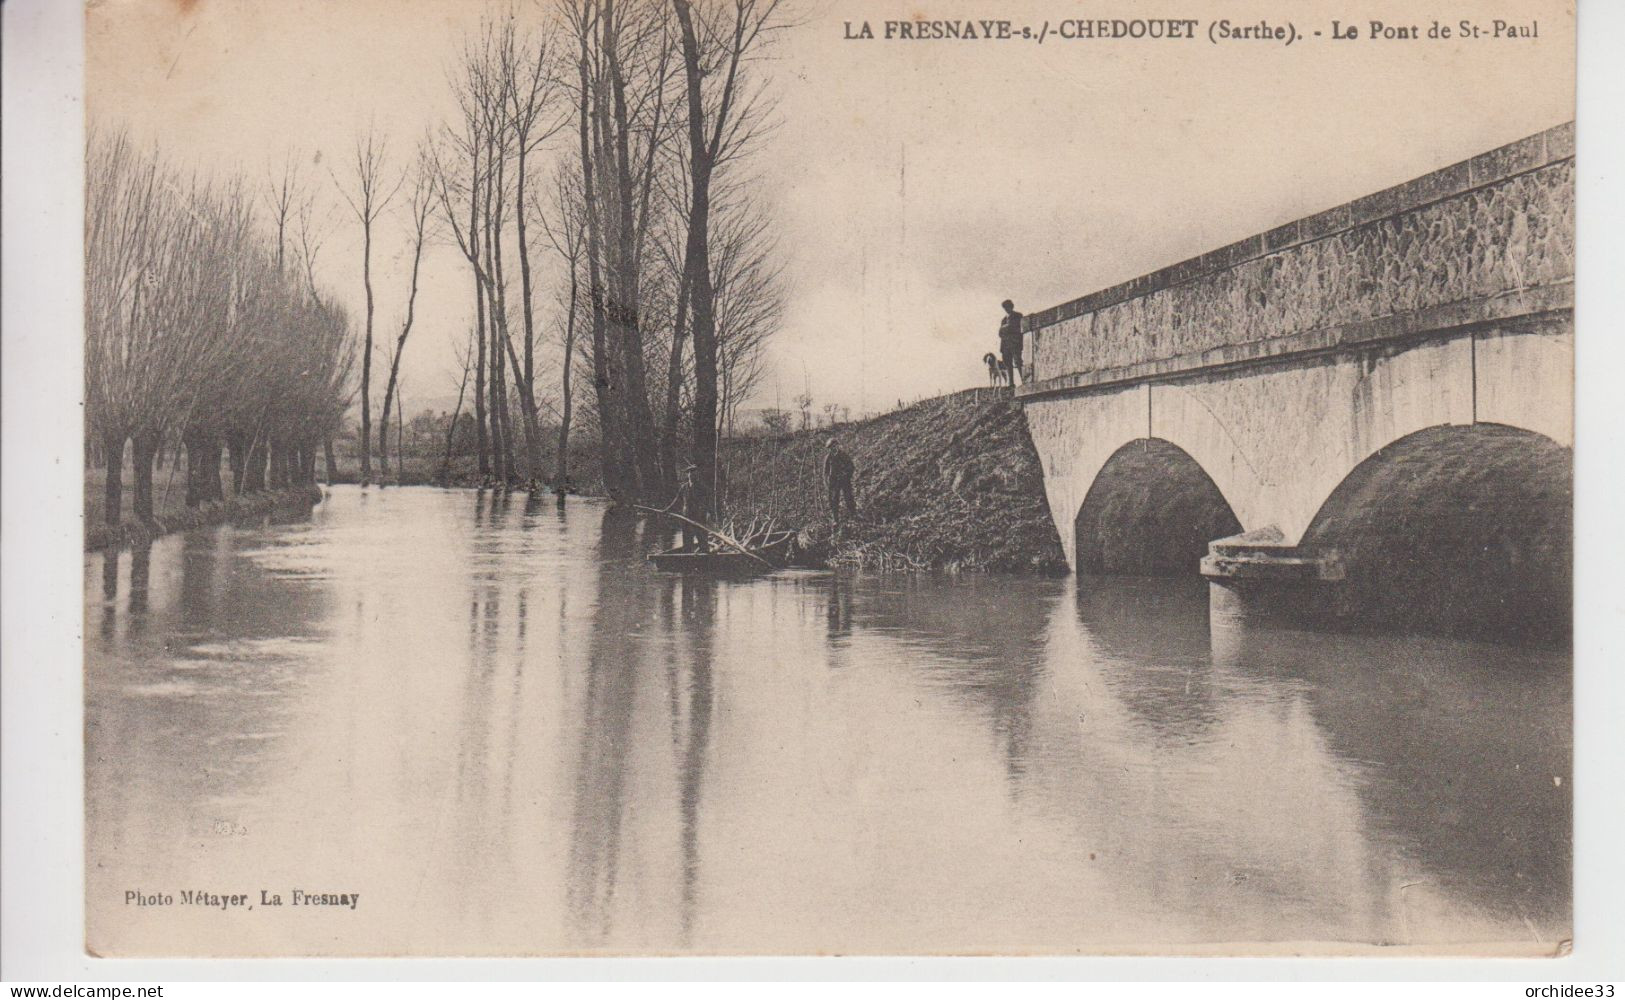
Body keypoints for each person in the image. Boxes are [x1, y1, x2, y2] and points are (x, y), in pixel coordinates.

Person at [822, 438, 857, 525]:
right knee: (834, 500)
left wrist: (846, 475)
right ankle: (835, 519)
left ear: (837, 446)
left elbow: (851, 466)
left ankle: (853, 514)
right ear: (829, 448)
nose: (833, 448)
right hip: (833, 482)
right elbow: (825, 472)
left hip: (844, 480)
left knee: (848, 496)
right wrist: (826, 483)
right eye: (831, 447)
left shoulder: (843, 455)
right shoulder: (828, 458)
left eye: (835, 446)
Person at [998, 298, 1025, 386]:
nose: (1006, 309)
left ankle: (1024, 381)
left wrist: (1006, 328)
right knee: (1008, 364)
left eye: (1007, 307)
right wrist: (1006, 328)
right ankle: (1011, 383)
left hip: (1015, 343)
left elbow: (1018, 328)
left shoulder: (1018, 316)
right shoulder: (1003, 320)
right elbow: (1000, 333)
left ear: (1011, 307)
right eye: (1005, 308)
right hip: (1005, 345)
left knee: (1018, 362)